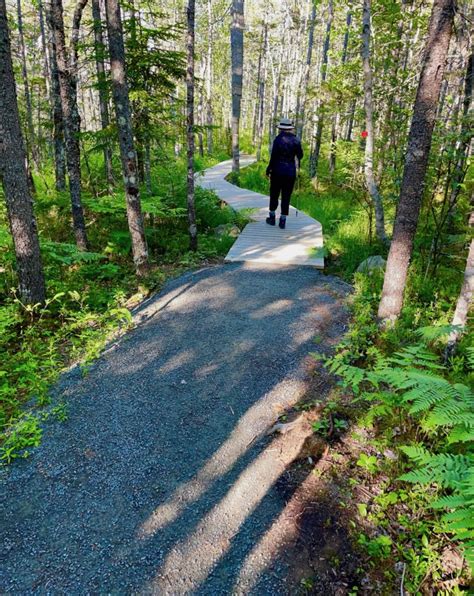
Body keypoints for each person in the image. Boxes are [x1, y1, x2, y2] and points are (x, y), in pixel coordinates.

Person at [265, 118, 303, 229]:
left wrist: (268, 169)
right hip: (290, 172)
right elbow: (300, 156)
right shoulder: (296, 140)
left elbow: (273, 157)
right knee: (286, 195)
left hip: (277, 171)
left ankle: (272, 218)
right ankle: (282, 221)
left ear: (281, 128)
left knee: (274, 194)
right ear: (290, 128)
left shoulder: (277, 140)